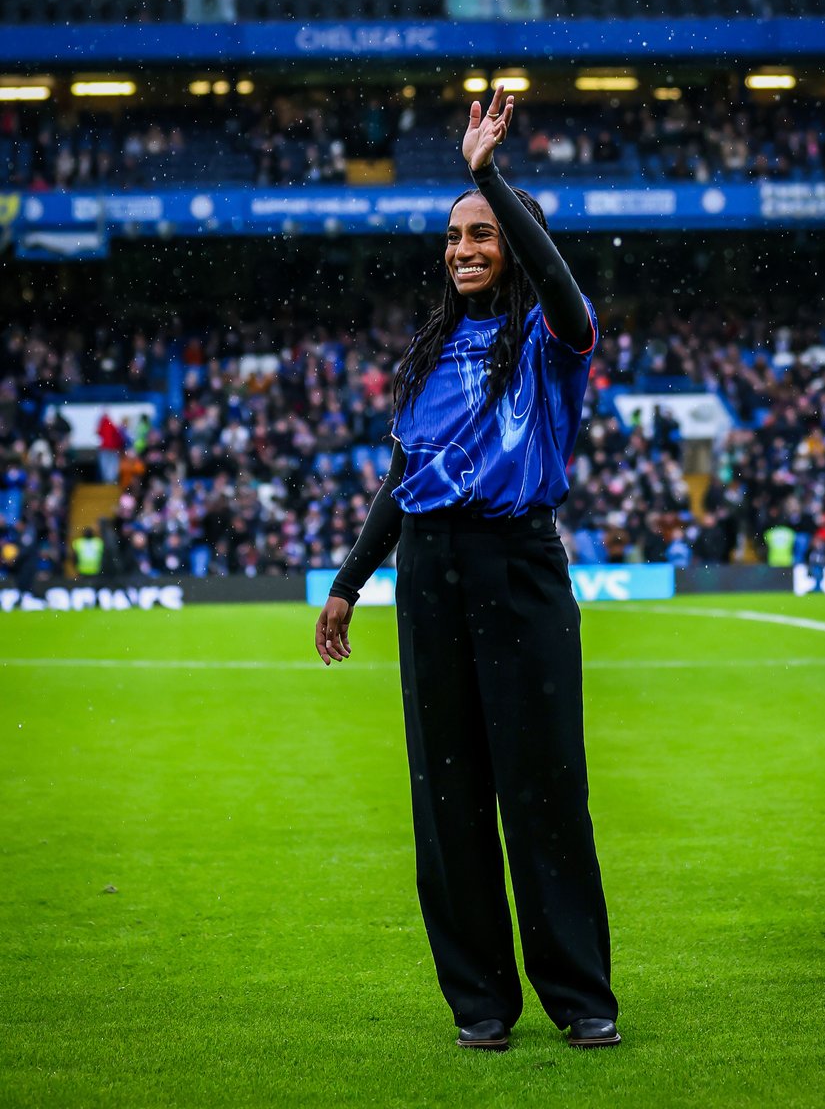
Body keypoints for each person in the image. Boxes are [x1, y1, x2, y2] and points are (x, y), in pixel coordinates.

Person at [315, 86, 619, 1052]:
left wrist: (488, 174)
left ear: (513, 239)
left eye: (482, 233)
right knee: (447, 801)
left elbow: (566, 293)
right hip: (432, 577)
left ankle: (581, 997)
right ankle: (481, 1003)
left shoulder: (548, 341)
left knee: (543, 788)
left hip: (520, 568)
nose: (464, 249)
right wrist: (349, 579)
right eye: (454, 238)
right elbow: (406, 477)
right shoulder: (434, 348)